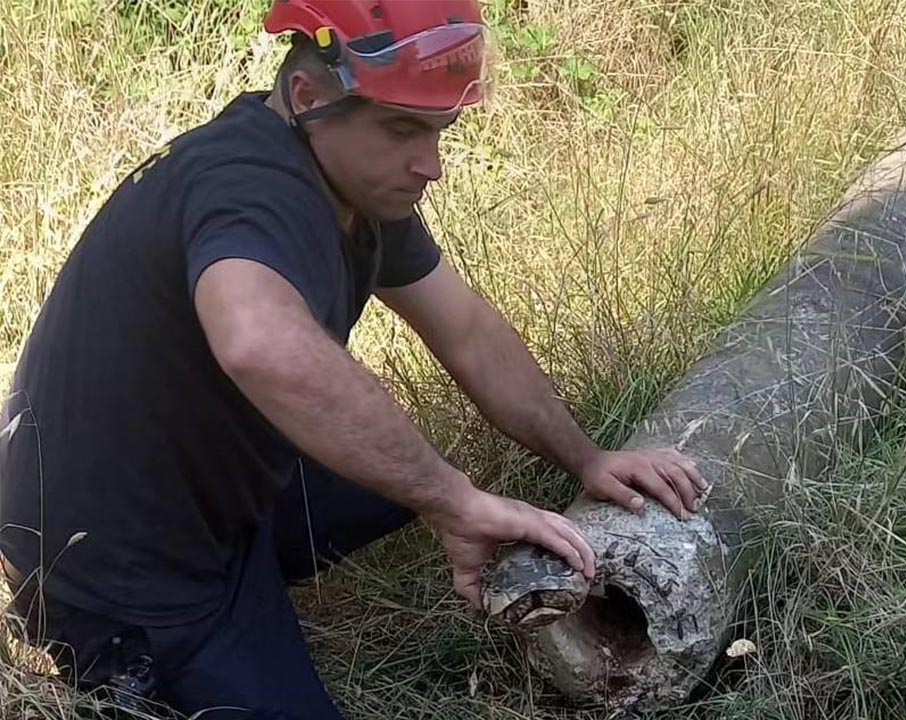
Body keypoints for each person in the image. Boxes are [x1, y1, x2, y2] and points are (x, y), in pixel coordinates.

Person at [0, 1, 705, 717]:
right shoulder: (249, 186)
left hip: (207, 483)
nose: (429, 165)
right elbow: (258, 341)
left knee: (397, 467)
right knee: (413, 485)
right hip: (114, 558)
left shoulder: (354, 183)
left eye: (439, 131)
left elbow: (463, 328)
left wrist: (585, 458)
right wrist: (451, 500)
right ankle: (118, 647)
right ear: (310, 97)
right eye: (402, 127)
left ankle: (256, 590)